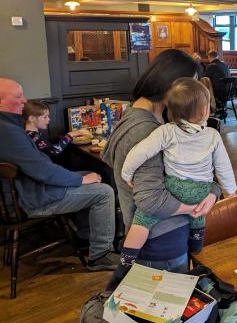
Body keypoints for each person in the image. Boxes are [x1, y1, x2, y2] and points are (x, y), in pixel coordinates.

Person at [103, 49, 224, 282]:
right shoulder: (146, 130)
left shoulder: (139, 116)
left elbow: (191, 175)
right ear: (171, 86)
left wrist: (213, 191)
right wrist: (196, 205)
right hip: (160, 239)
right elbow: (152, 200)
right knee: (166, 312)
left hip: (158, 235)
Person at [0, 78, 118, 271]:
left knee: (91, 174)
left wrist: (83, 178)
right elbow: (42, 171)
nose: (24, 101)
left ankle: (85, 235)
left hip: (28, 191)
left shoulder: (10, 127)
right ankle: (100, 255)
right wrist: (80, 180)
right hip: (32, 199)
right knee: (104, 192)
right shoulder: (7, 133)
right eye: (18, 97)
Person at [22, 100, 87, 158]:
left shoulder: (30, 134)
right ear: (32, 118)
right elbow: (54, 151)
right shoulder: (33, 137)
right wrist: (70, 135)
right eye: (45, 117)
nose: (48, 119)